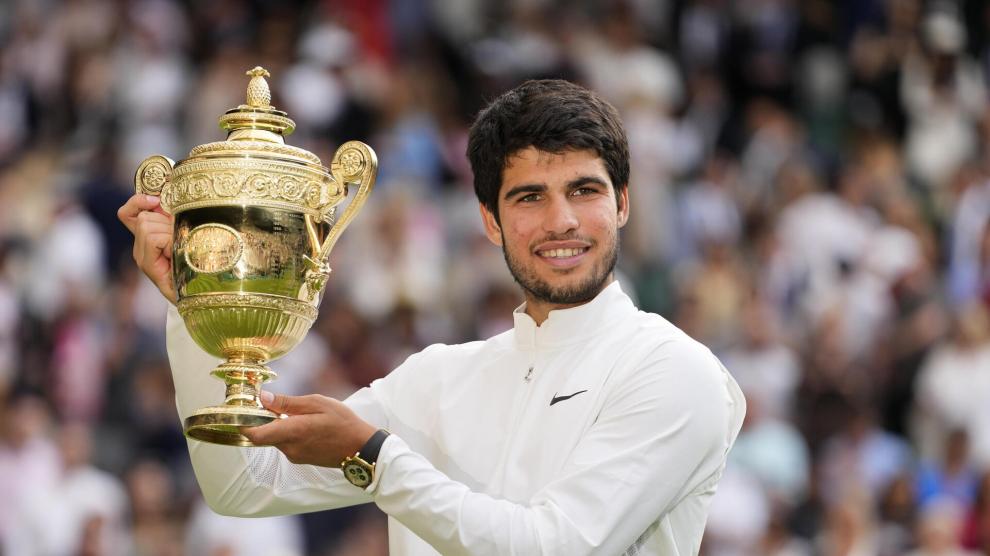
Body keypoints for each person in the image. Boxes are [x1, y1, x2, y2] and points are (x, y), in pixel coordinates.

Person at [119, 79, 745, 555]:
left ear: (624, 203)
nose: (562, 222)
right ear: (490, 221)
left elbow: (550, 547)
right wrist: (197, 302)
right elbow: (243, 485)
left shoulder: (674, 371)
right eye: (530, 197)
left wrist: (373, 457)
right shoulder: (440, 378)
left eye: (584, 190)